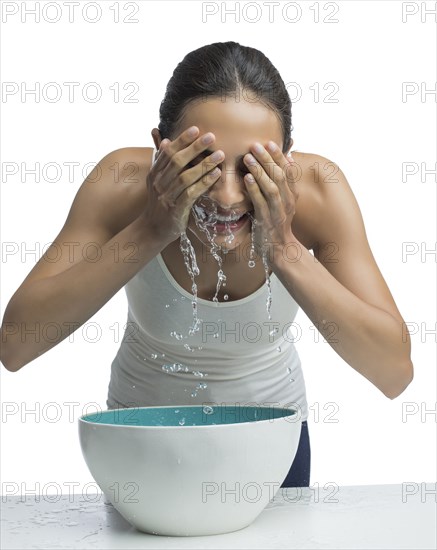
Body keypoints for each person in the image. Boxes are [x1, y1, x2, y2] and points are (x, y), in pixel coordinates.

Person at [0, 41, 413, 489]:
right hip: (142, 440)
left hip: (272, 446)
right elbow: (16, 345)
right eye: (202, 165)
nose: (229, 196)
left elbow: (393, 372)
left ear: (287, 158)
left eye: (253, 167)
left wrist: (285, 248)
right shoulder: (120, 184)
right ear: (161, 149)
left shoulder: (318, 193)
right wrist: (151, 229)